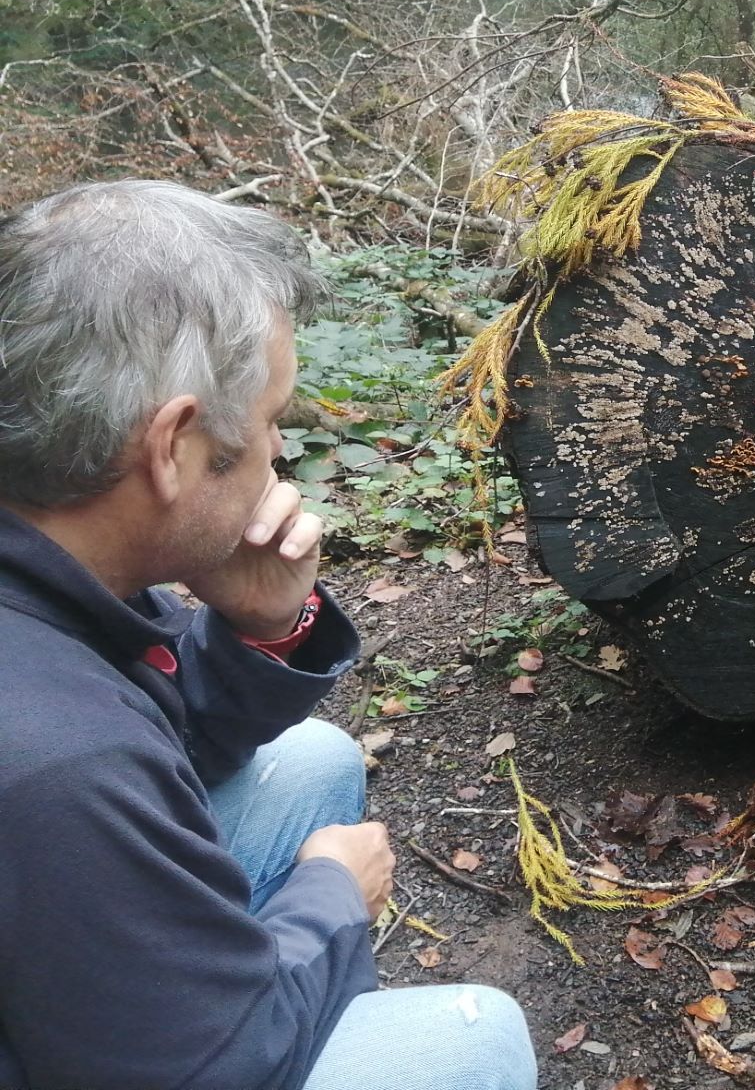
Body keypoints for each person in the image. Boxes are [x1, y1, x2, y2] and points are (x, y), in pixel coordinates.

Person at [0, 181, 538, 1090]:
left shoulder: (50, 581)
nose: (278, 456)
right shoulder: (60, 760)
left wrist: (262, 626)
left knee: (313, 760)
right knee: (471, 1038)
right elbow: (206, 1068)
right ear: (172, 445)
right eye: (268, 423)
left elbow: (155, 739)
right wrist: (329, 903)